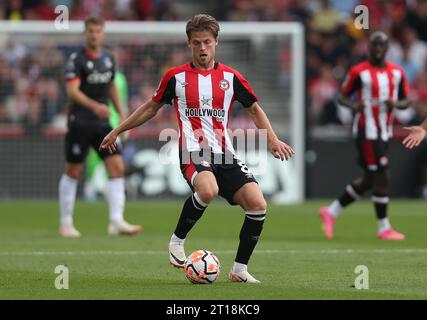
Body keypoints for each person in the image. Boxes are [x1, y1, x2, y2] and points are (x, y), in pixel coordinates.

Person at [100, 14, 295, 283]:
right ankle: (176, 242)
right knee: (208, 189)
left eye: (206, 42)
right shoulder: (175, 77)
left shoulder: (231, 77)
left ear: (216, 42)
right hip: (192, 151)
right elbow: (150, 108)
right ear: (189, 44)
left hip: (225, 154)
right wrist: (118, 129)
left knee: (258, 205)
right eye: (196, 43)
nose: (202, 48)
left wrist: (272, 139)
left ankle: (239, 270)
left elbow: (254, 108)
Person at [319, 31, 410, 241]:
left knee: (370, 179)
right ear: (369, 47)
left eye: (382, 45)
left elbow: (406, 100)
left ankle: (331, 211)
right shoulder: (359, 72)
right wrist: (354, 105)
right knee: (383, 175)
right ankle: (384, 228)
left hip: (384, 131)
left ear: (387, 49)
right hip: (366, 131)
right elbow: (341, 96)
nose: (378, 49)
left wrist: (395, 104)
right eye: (374, 45)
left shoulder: (397, 73)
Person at [59, 16, 142, 238]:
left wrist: (123, 115)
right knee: (73, 170)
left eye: (98, 31)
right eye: (91, 31)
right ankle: (66, 223)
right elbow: (73, 92)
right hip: (80, 122)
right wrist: (95, 106)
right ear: (85, 33)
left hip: (103, 124)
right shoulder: (76, 60)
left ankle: (116, 221)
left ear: (102, 33)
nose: (94, 35)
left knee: (117, 167)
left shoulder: (108, 59)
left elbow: (112, 87)